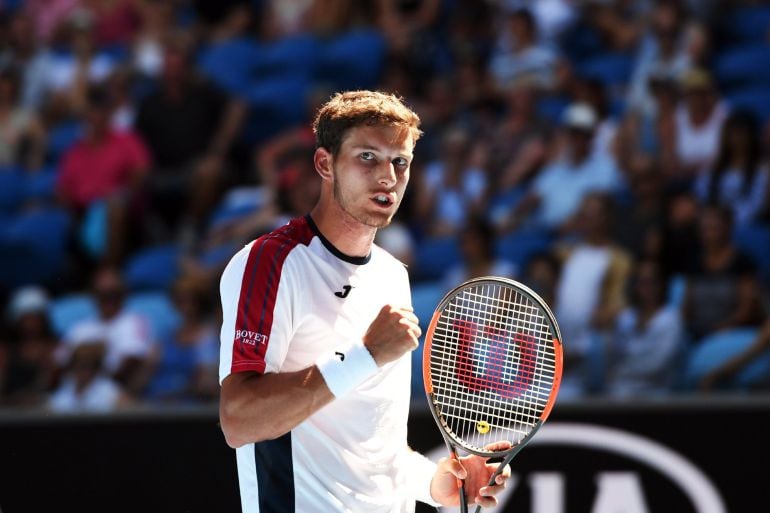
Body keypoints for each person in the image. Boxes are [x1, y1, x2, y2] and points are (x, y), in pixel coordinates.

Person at [217, 90, 510, 513]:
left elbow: (374, 442)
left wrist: (434, 483)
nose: (388, 176)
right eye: (367, 157)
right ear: (324, 164)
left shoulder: (393, 275)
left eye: (400, 161)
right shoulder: (271, 262)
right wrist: (366, 355)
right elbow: (239, 419)